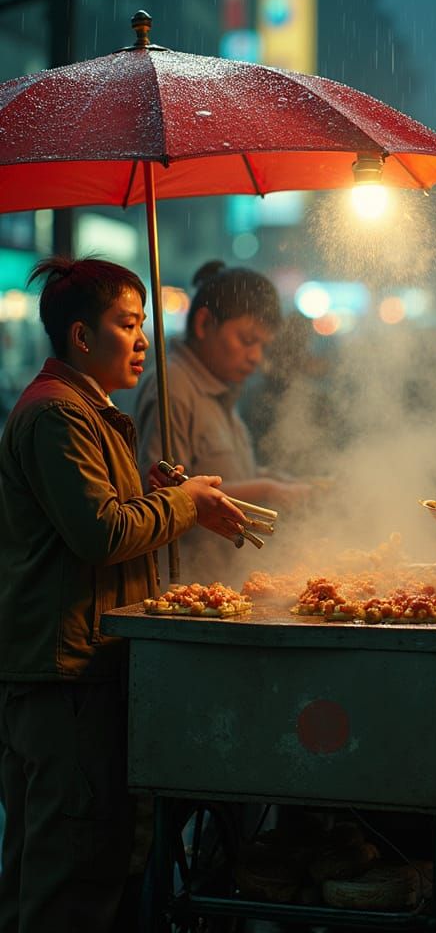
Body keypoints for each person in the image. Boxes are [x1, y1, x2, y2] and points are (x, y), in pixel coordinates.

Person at [0, 256, 248, 933]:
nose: (143, 340)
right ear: (82, 337)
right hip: (67, 676)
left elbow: (113, 510)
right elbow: (102, 533)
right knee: (69, 876)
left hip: (84, 667)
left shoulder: (90, 412)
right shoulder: (57, 415)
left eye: (143, 323)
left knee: (61, 866)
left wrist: (168, 491)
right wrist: (185, 506)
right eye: (127, 324)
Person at [135, 261, 311, 584]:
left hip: (226, 583)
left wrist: (283, 481)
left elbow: (225, 476)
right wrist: (269, 490)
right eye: (247, 340)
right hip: (186, 591)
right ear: (204, 324)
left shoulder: (221, 392)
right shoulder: (173, 385)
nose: (257, 356)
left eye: (263, 345)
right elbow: (168, 496)